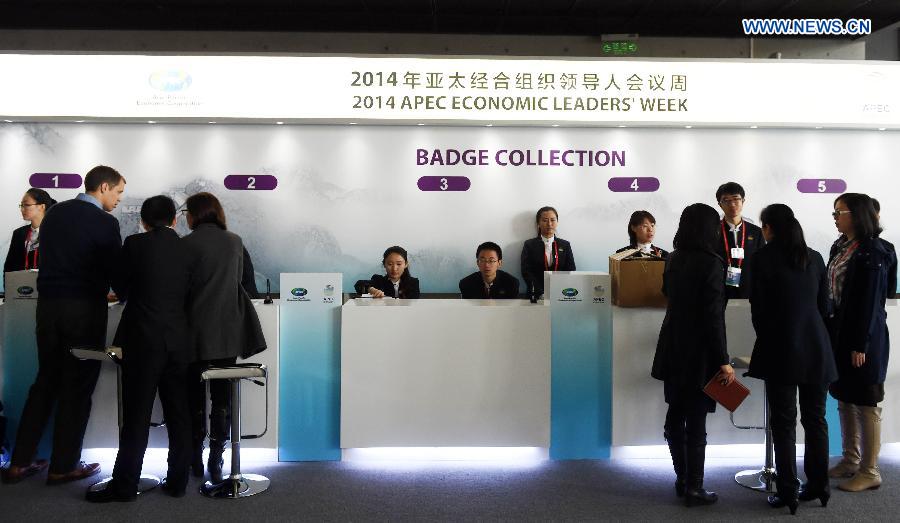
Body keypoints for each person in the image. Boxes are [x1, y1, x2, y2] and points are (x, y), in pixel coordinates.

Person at [1, 165, 125, 485]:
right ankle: (63, 466)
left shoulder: (54, 215)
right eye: (118, 192)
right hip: (83, 312)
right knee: (77, 388)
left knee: (45, 383)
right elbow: (115, 270)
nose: (118, 199)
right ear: (103, 187)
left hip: (49, 310)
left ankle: (18, 462)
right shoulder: (105, 222)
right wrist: (122, 292)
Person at [86, 195, 192, 502]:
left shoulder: (134, 244)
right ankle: (177, 483)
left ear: (143, 221)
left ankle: (125, 486)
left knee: (136, 416)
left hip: (142, 340)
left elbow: (121, 289)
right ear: (174, 219)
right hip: (178, 341)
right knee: (179, 414)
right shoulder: (189, 250)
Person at [746, 204, 837, 514]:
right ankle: (819, 487)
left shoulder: (761, 259)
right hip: (817, 349)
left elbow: (756, 309)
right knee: (816, 420)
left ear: (769, 228)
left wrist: (771, 334)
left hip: (779, 349)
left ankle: (788, 492)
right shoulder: (814, 257)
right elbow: (825, 307)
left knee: (784, 424)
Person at [651, 203, 734, 507]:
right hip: (700, 354)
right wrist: (723, 360)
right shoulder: (713, 263)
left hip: (673, 346)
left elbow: (667, 293)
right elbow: (714, 318)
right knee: (696, 423)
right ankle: (694, 488)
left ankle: (682, 477)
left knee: (675, 416)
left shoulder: (673, 258)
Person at [182, 192, 266, 484]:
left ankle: (193, 455)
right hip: (226, 333)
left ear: (193, 215)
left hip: (191, 333)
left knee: (193, 398)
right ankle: (216, 459)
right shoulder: (235, 242)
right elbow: (246, 286)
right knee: (222, 399)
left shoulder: (185, 244)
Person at [826, 192, 894, 492]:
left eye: (839, 212)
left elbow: (871, 302)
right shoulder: (839, 246)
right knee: (843, 396)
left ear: (857, 215)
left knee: (866, 401)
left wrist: (860, 345)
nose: (836, 217)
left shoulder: (875, 251)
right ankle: (851, 459)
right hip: (839, 333)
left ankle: (870, 469)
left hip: (864, 338)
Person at [716, 182, 764, 299]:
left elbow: (762, 263)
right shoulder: (713, 231)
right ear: (720, 204)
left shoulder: (756, 232)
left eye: (736, 199)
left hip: (750, 292)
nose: (732, 204)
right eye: (726, 200)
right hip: (720, 292)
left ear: (743, 201)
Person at [520, 206, 576, 298]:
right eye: (545, 220)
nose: (549, 224)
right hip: (536, 295)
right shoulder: (529, 245)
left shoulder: (565, 245)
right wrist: (540, 292)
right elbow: (526, 271)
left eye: (553, 220)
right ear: (538, 223)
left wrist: (560, 290)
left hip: (561, 294)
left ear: (557, 222)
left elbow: (571, 269)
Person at [3, 188, 56, 278]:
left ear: (42, 207)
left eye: (26, 205)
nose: (22, 209)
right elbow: (9, 267)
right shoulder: (19, 233)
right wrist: (9, 289)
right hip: (20, 288)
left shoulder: (56, 234)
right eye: (21, 205)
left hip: (46, 288)